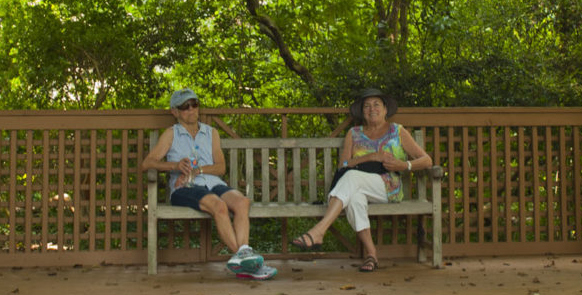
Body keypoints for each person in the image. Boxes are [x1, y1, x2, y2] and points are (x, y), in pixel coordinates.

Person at [290, 87, 432, 273]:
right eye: (367, 106)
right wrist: (371, 157)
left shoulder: (397, 131)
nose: (372, 109)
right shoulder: (354, 133)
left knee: (352, 179)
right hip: (357, 183)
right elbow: (344, 165)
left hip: (388, 186)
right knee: (355, 197)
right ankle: (371, 255)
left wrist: (404, 166)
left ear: (385, 109)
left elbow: (427, 160)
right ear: (362, 111)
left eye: (376, 105)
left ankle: (319, 231)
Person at [140, 88, 272, 279]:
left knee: (242, 202)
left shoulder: (211, 133)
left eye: (195, 104)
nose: (191, 109)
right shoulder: (171, 134)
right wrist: (175, 165)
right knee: (219, 206)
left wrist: (198, 170)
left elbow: (221, 168)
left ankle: (243, 260)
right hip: (185, 188)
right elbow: (147, 163)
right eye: (185, 107)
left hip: (213, 182)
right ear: (175, 112)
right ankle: (249, 264)